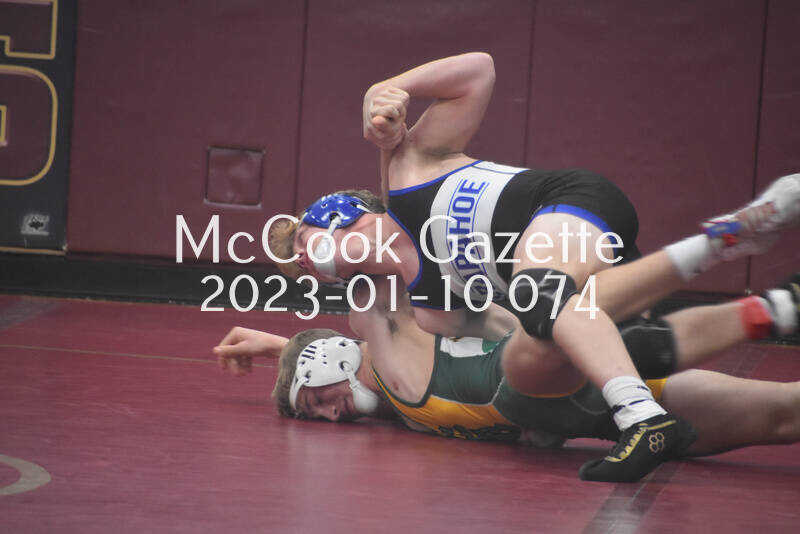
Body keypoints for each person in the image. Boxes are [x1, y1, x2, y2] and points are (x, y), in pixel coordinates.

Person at [266, 52, 800, 481]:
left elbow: (479, 70)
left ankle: (645, 412)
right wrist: (275, 348)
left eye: (307, 246)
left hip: (566, 205)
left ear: (339, 215)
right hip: (575, 331)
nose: (309, 263)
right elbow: (500, 329)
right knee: (616, 344)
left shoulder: (409, 169)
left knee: (540, 308)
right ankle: (771, 301)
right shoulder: (429, 306)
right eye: (307, 267)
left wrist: (387, 90)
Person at [215, 270, 800, 482]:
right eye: (316, 414)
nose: (329, 417)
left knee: (587, 333)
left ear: (330, 361)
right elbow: (328, 362)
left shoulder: (387, 329)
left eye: (316, 402)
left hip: (555, 366)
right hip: (608, 420)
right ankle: (771, 308)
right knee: (783, 418)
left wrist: (288, 346)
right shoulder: (391, 404)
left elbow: (370, 268)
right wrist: (277, 348)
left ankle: (748, 280)